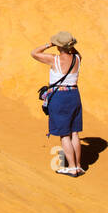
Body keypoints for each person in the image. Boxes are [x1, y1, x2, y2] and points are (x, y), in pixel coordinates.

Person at [31, 30, 83, 176]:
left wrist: (49, 45)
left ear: (58, 45)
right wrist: (67, 46)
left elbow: (34, 53)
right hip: (74, 95)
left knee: (64, 134)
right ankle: (78, 165)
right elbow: (74, 52)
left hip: (60, 98)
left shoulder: (54, 59)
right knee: (74, 133)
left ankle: (71, 167)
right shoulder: (77, 58)